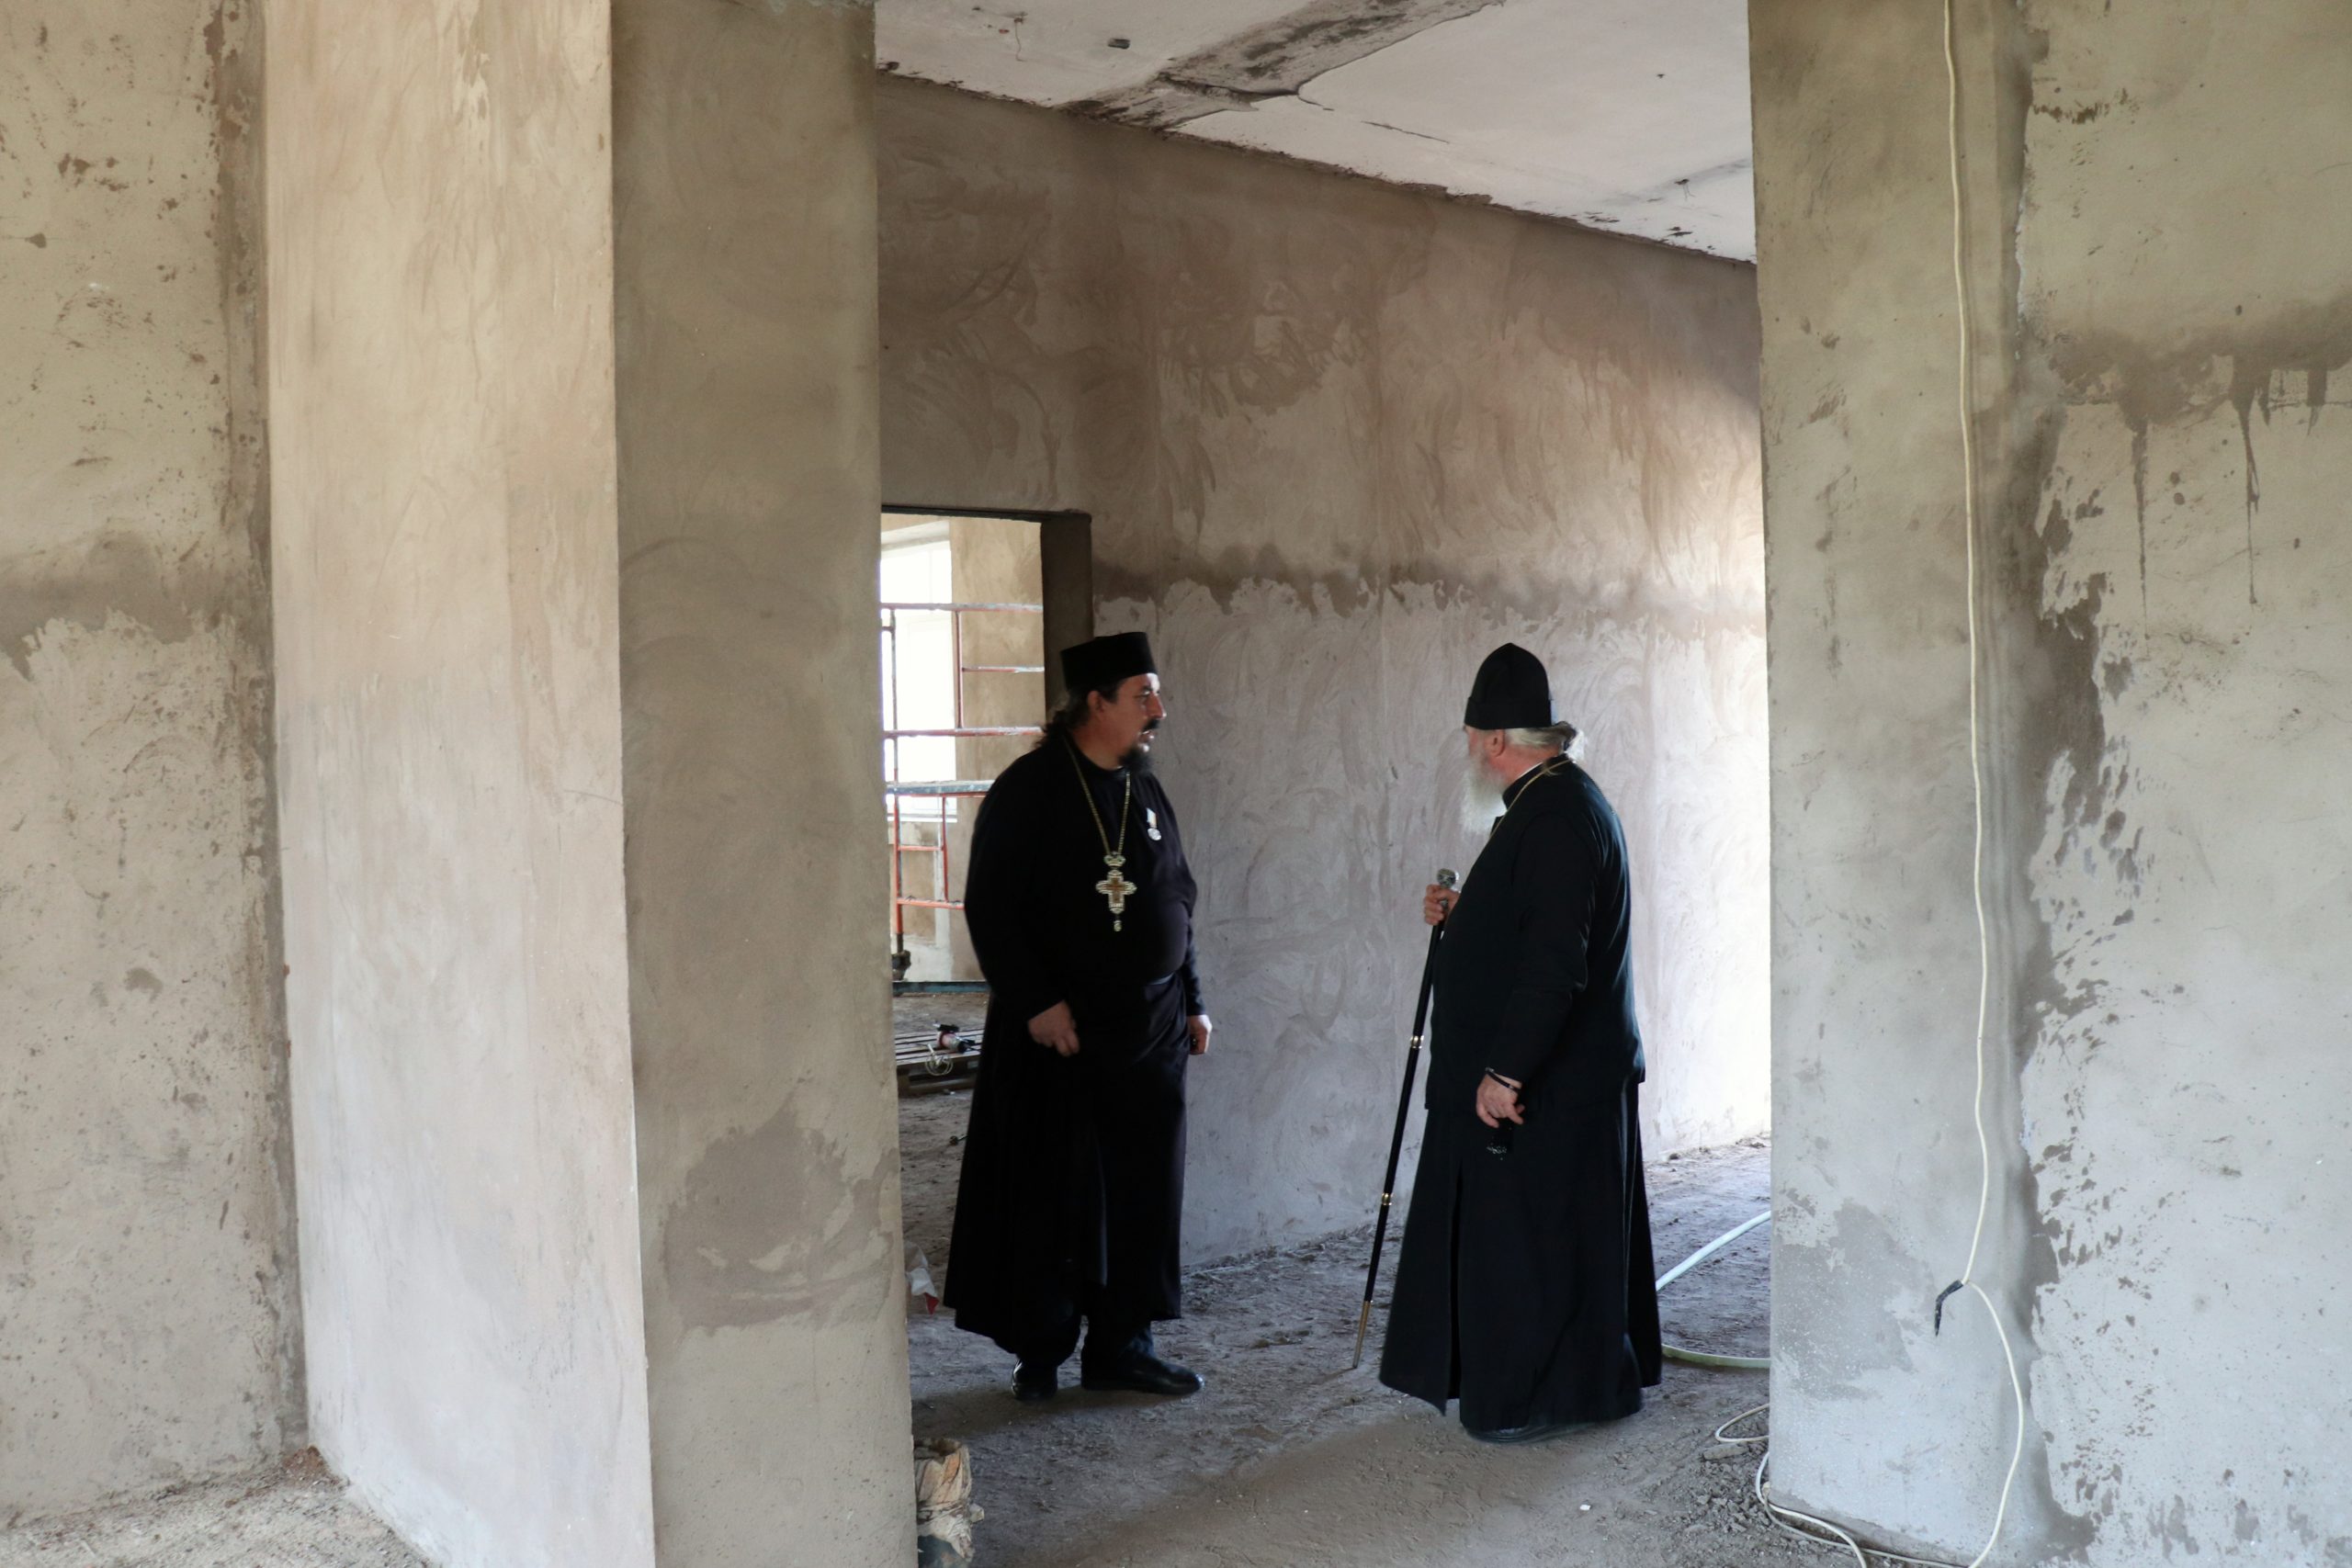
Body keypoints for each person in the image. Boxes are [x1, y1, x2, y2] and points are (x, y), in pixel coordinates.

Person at [1377, 642, 1663, 1442]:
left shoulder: (1558, 816)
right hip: (1553, 1081)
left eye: (1473, 738)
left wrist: (1504, 1072)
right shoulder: (1545, 804)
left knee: (1538, 1251)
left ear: (1498, 739)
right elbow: (1528, 922)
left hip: (1551, 1087)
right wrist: (1463, 912)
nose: (1469, 751)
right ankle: (1538, 1389)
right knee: (1533, 1245)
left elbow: (1555, 964)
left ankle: (1541, 1400)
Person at [944, 631, 1213, 1403]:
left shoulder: (1144, 790)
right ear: (1095, 702)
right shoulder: (1029, 789)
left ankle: (1124, 1344)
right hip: (1062, 1034)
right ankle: (1042, 1350)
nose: (1158, 709)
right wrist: (1035, 1001)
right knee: (1054, 1193)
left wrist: (1194, 996)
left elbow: (1177, 898)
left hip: (1153, 1030)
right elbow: (991, 906)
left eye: (1156, 693)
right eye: (1142, 694)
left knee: (1142, 1190)